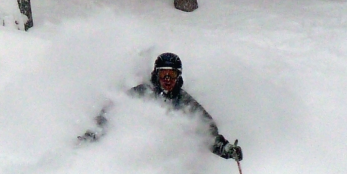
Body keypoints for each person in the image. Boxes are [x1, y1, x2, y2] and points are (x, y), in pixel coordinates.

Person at [79, 52, 243, 161]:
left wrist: (226, 149)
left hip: (166, 163)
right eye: (163, 74)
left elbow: (206, 131)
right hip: (131, 157)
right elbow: (112, 113)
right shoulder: (142, 93)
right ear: (155, 74)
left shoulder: (185, 103)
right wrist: (92, 134)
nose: (167, 79)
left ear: (178, 76)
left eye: (171, 75)